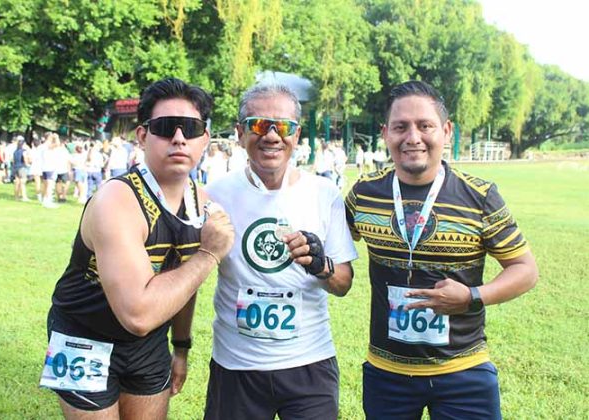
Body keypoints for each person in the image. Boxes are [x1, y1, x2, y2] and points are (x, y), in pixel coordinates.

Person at [39, 77, 235, 419]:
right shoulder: (116, 200)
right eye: (165, 127)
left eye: (190, 128)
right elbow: (138, 315)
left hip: (149, 343)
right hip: (84, 334)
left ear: (204, 139)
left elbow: (184, 283)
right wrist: (208, 254)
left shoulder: (200, 202)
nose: (179, 138)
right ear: (142, 136)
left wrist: (181, 347)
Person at [344, 80, 538, 420]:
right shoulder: (365, 194)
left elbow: (525, 270)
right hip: (387, 373)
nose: (413, 137)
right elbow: (333, 246)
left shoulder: (479, 197)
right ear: (385, 133)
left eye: (425, 126)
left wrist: (472, 296)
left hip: (463, 371)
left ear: (446, 131)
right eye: (400, 127)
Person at [204, 83, 357, 420]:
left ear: (296, 135)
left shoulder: (324, 193)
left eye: (283, 127)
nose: (272, 136)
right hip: (236, 366)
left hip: (309, 364)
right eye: (259, 124)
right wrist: (181, 346)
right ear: (240, 133)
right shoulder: (214, 196)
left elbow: (344, 283)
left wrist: (320, 264)